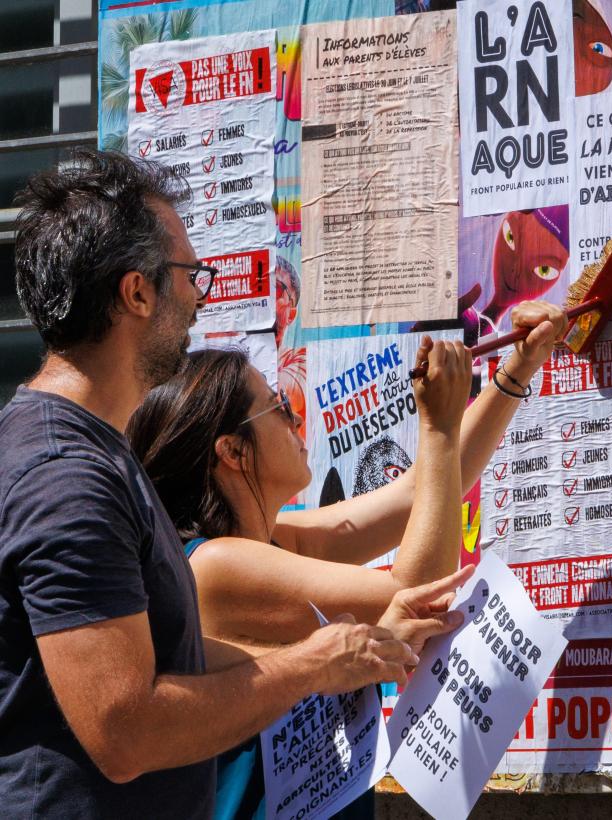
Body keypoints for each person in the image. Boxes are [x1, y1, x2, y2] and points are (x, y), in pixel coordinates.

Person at [0, 149, 463, 819]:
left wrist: (333, 657)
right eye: (189, 275)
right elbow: (126, 730)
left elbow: (170, 657)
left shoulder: (89, 451)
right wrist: (309, 667)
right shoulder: (66, 477)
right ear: (137, 293)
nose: (197, 297)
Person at [128, 309, 568, 817]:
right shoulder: (215, 564)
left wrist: (519, 366)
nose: (295, 417)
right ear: (231, 451)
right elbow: (422, 592)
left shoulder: (268, 540)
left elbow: (420, 491)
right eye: (275, 407)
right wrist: (438, 429)